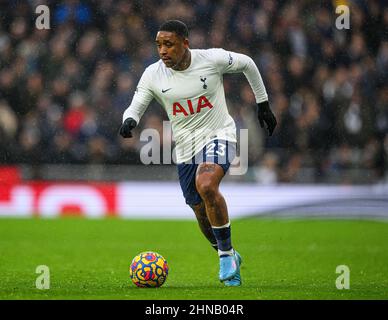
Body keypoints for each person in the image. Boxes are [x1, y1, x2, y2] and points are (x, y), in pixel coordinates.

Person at [120, 20, 277, 287]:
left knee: (206, 184)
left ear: (185, 43)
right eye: (158, 45)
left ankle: (225, 257)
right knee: (200, 211)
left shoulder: (212, 59)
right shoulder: (153, 74)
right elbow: (136, 104)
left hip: (220, 135)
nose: (162, 51)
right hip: (185, 148)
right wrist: (129, 121)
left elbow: (248, 63)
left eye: (168, 44)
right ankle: (228, 254)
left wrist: (263, 103)